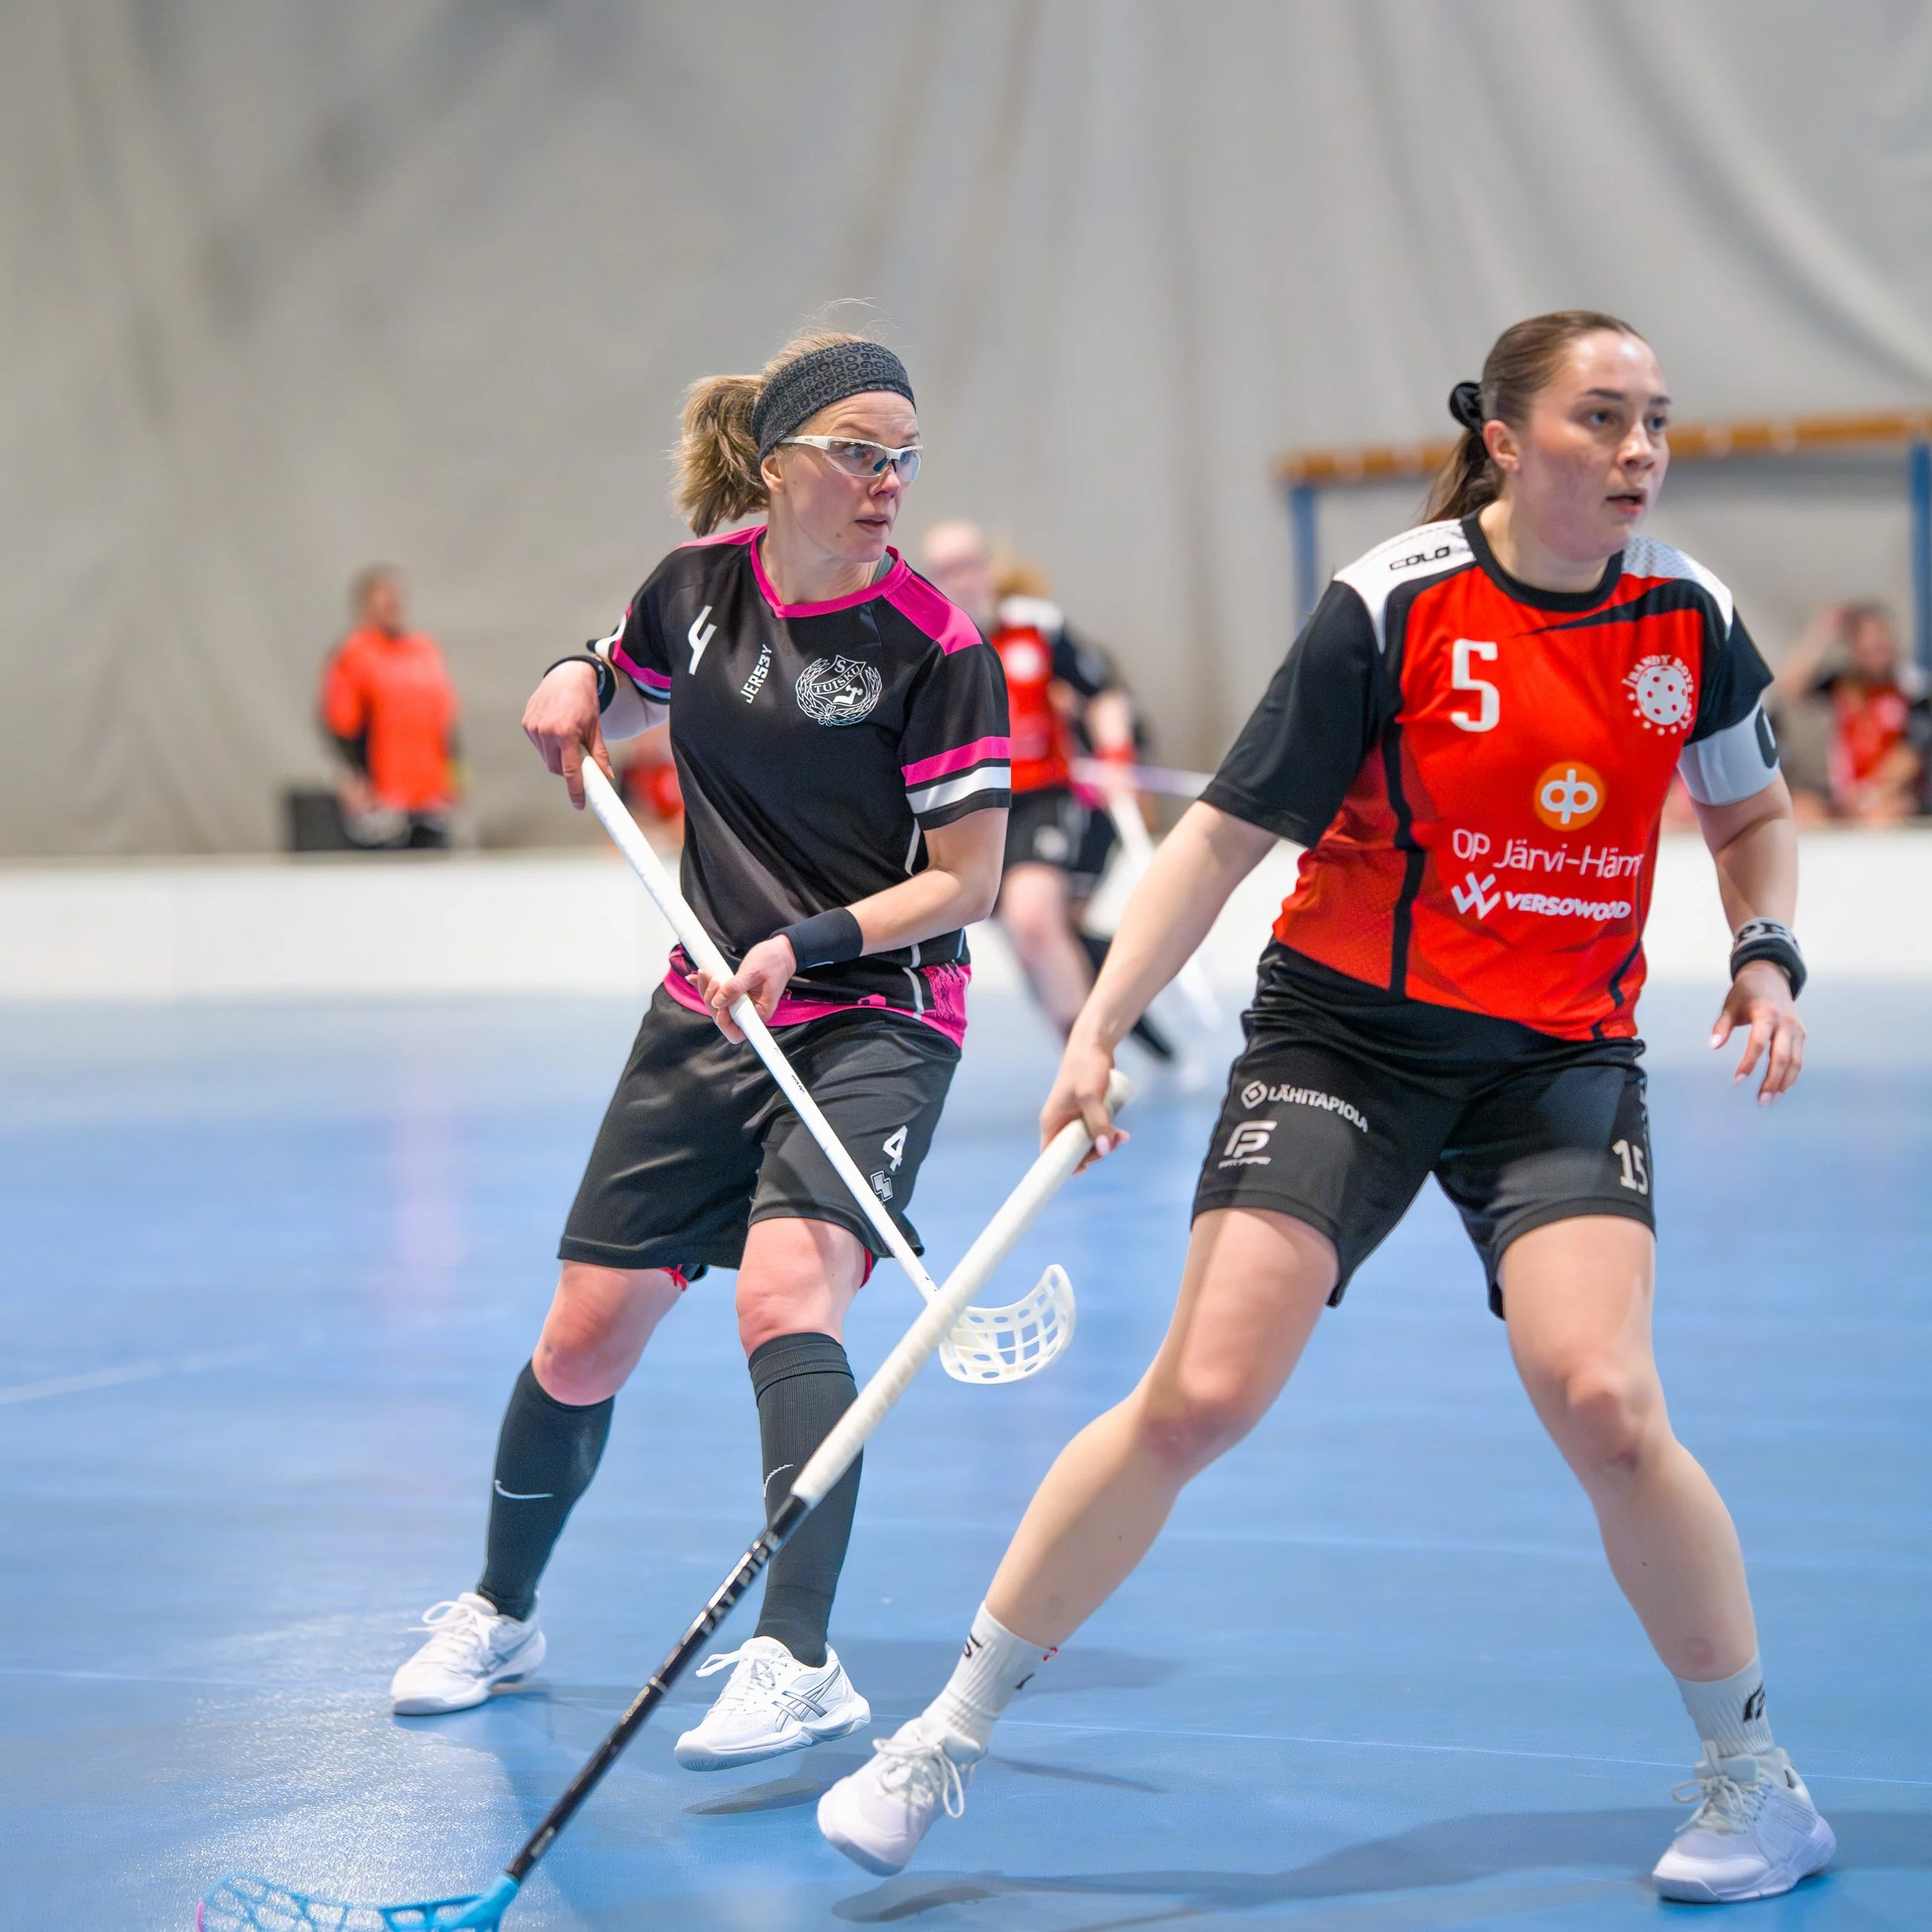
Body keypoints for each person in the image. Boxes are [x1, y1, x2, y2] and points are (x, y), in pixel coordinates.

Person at [819, 311, 1835, 1906]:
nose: (1637, 451)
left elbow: (1750, 805)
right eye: (1599, 418)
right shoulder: (1391, 605)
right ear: (1504, 438)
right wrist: (1093, 1028)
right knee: (1196, 1395)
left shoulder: (1686, 619)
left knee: (1606, 1405)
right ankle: (941, 1733)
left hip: (1552, 1059)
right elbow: (1218, 839)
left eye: (1653, 421)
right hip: (1340, 1039)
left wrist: (1763, 949)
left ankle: (1752, 1775)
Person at [389, 330, 1011, 1773]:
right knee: (586, 1335)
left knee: (789, 1293)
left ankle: (800, 1657)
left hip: (876, 1010)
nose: (886, 483)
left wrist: (816, 941)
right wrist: (567, 677)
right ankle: (502, 1608)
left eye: (904, 458)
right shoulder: (699, 589)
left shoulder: (934, 646)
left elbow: (965, 883)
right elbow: (614, 671)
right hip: (710, 1005)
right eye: (860, 452)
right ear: (781, 461)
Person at [918, 522, 1149, 1039]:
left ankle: (1091, 1055)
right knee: (1032, 944)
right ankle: (1083, 1041)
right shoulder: (924, 645)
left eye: (970, 564)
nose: (962, 579)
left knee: (1035, 919)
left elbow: (1104, 691)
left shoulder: (1035, 627)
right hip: (969, 810)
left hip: (1040, 796)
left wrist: (1115, 756)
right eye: (947, 570)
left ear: (990, 568)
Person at [318, 566, 462, 848]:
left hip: (430, 796)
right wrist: (355, 777)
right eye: (384, 596)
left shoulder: (425, 650)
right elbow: (341, 724)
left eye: (397, 595)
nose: (393, 603)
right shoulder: (354, 653)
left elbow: (448, 725)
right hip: (383, 798)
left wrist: (457, 778)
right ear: (365, 604)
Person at [1770, 600, 1923, 823]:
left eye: (1880, 642)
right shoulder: (1842, 685)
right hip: (1840, 794)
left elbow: (1910, 757)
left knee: (1880, 818)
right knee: (1801, 812)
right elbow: (1789, 687)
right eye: (1866, 645)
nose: (1874, 648)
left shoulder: (1912, 691)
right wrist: (1822, 632)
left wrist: (1870, 794)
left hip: (1887, 794)